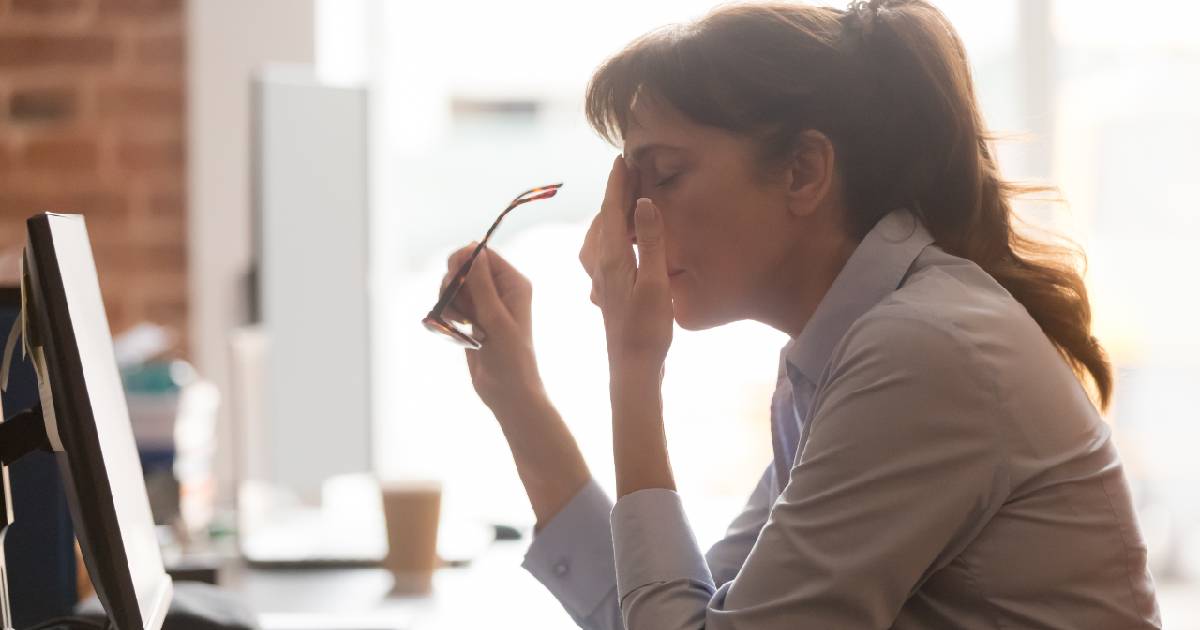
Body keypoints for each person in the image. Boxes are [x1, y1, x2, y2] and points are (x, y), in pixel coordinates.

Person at [436, 1, 1161, 628]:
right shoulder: (850, 350)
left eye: (662, 176)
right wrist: (517, 398)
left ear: (803, 172)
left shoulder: (920, 352)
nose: (623, 225)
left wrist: (633, 367)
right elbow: (661, 611)